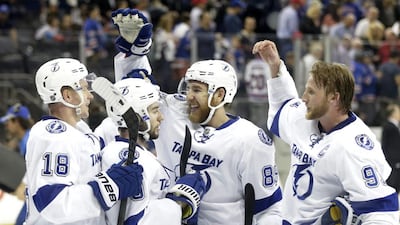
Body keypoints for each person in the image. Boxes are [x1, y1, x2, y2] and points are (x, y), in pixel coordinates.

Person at [102, 8, 283, 225]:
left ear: (220, 94)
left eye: (197, 90)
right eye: (188, 88)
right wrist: (135, 52)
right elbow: (135, 92)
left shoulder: (250, 140)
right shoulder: (173, 115)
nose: (189, 96)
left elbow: (270, 209)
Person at [252, 40, 399, 224]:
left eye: (311, 92)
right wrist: (275, 66)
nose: (304, 98)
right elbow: (283, 105)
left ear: (333, 98)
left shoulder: (354, 146)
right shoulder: (304, 117)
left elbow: (381, 210)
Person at [24, 57, 144, 224]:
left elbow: (112, 131)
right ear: (67, 95)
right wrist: (110, 187)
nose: (90, 96)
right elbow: (51, 203)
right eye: (84, 89)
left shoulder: (81, 130)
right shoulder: (54, 136)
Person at [98, 77, 209, 225]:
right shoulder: (131, 159)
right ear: (137, 116)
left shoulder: (124, 151)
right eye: (155, 110)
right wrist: (179, 203)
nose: (161, 117)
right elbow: (134, 221)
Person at [0, 103, 33, 225]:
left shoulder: (30, 140)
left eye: (8, 123)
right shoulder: (26, 139)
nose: (6, 127)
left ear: (17, 122)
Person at [381, 102, 400, 193]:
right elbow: (386, 145)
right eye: (398, 111)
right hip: (392, 159)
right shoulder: (389, 126)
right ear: (393, 113)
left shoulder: (396, 126)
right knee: (393, 182)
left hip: (396, 159)